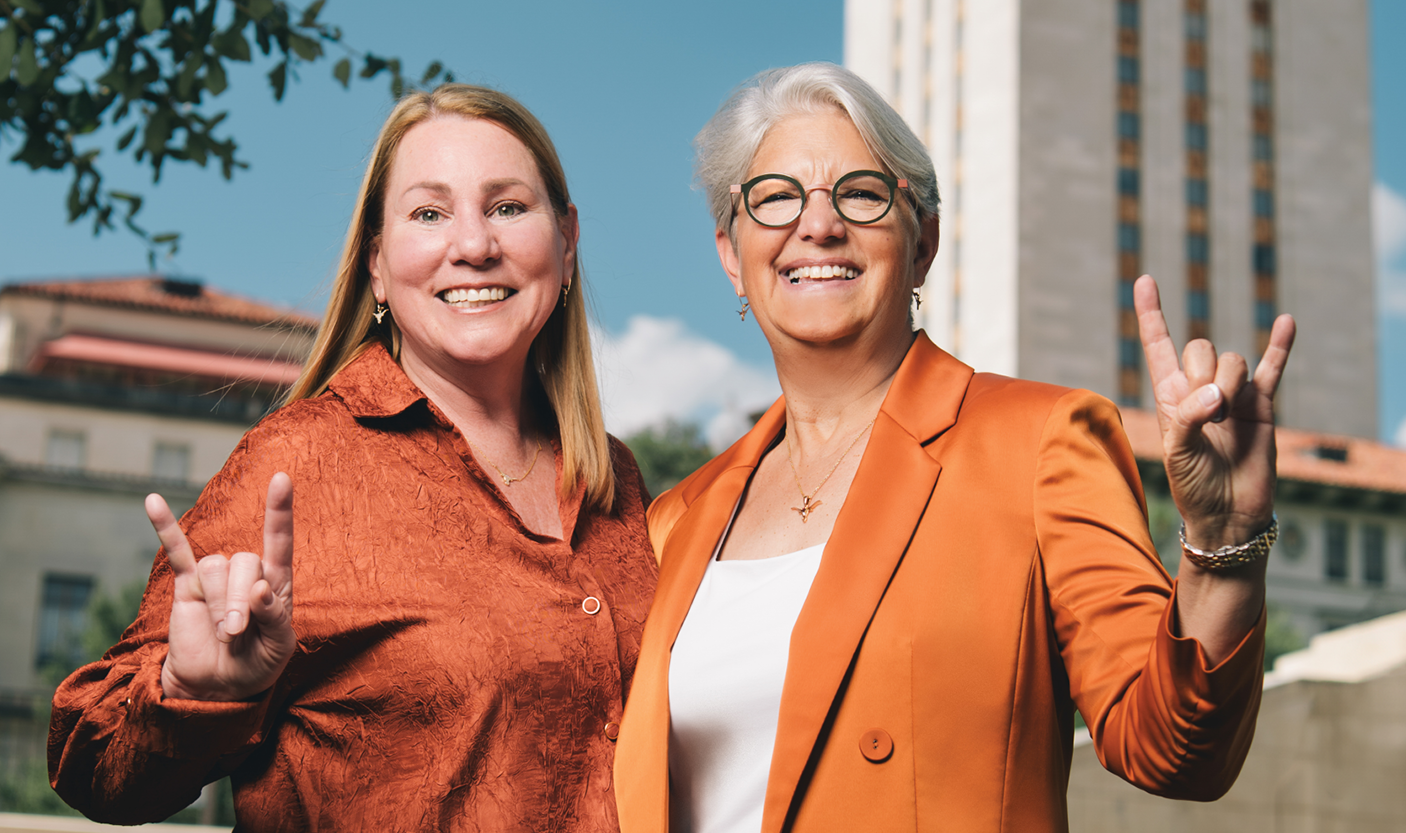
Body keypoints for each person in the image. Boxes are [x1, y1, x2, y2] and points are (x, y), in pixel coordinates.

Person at [613, 63, 1294, 833]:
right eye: (774, 199)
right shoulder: (676, 518)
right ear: (732, 254)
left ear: (924, 241)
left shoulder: (1039, 442)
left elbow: (1175, 751)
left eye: (861, 193)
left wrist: (1224, 547)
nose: (818, 225)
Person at [49, 84, 658, 831]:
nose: (473, 244)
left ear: (566, 242)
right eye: (429, 213)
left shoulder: (618, 480)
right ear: (377, 263)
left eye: (507, 207)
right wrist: (194, 689)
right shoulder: (298, 464)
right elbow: (93, 764)